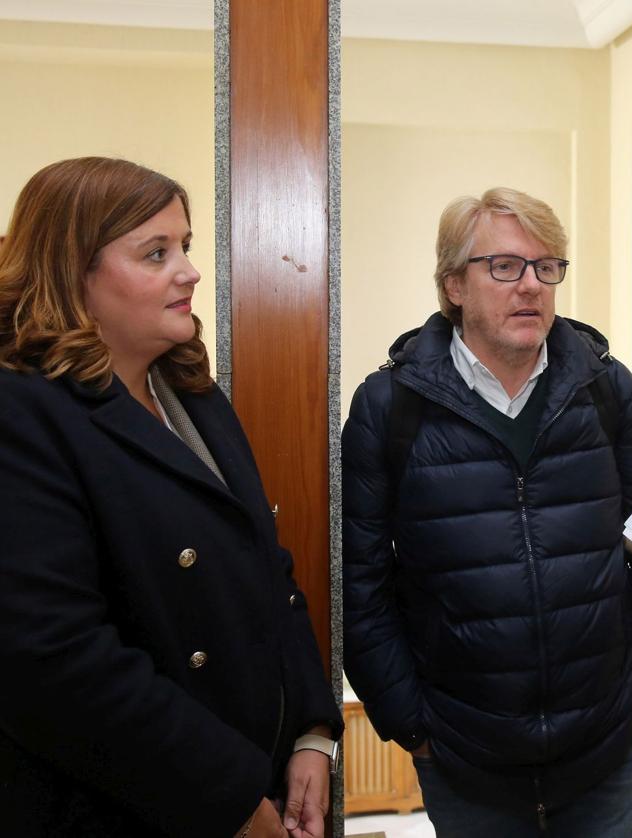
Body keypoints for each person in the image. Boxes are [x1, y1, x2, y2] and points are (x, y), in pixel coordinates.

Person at [0, 157, 342, 838]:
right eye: (156, 252)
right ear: (73, 274)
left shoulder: (192, 396)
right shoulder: (23, 415)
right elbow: (56, 663)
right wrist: (232, 798)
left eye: (184, 246)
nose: (189, 271)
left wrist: (311, 731)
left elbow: (267, 575)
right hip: (127, 806)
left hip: (251, 775)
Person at [342, 187, 632, 836]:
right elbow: (360, 588)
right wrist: (411, 724)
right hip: (463, 756)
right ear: (454, 285)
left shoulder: (604, 389)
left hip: (606, 746)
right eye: (504, 266)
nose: (530, 285)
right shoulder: (388, 407)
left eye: (547, 266)